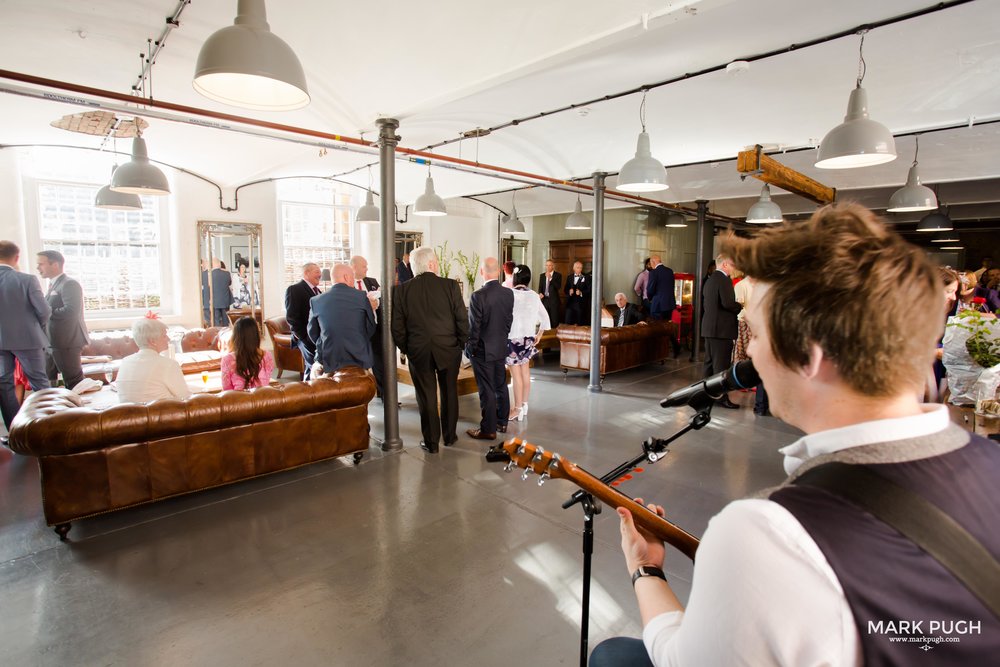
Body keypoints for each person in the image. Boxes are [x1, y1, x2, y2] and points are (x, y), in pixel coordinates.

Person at [592, 203, 1000, 666]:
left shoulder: (769, 532)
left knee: (613, 656)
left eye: (759, 337)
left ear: (809, 356)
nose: (751, 360)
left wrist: (645, 568)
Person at [391, 246, 468, 453]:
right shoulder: (451, 286)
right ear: (432, 264)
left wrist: (408, 348)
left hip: (419, 351)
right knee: (449, 392)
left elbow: (397, 328)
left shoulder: (401, 290)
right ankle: (450, 437)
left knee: (426, 396)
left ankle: (431, 443)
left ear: (414, 267)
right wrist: (460, 344)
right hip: (449, 349)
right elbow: (462, 319)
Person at [0, 240, 51, 433]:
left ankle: (15, 430)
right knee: (40, 382)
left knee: (3, 384)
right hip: (27, 338)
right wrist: (36, 327)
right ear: (16, 258)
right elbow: (44, 311)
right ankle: (46, 428)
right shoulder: (26, 280)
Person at [465, 257, 514, 440]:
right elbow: (508, 322)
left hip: (483, 350)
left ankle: (488, 429)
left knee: (486, 389)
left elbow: (474, 328)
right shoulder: (508, 294)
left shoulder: (478, 296)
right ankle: (502, 422)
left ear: (481, 272)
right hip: (501, 346)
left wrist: (470, 349)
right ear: (499, 272)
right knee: (501, 385)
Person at [309, 263, 376, 377]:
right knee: (362, 391)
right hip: (359, 356)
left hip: (329, 357)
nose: (354, 280)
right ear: (346, 277)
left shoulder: (316, 300)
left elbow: (312, 332)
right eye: (352, 277)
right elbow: (370, 326)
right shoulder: (361, 296)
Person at [36, 250, 89, 389]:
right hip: (51, 343)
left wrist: (45, 311)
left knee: (75, 384)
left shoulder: (69, 284)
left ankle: (81, 411)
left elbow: (71, 311)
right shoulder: (53, 285)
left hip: (67, 343)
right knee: (49, 383)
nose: (38, 268)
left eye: (41, 264)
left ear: (55, 265)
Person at [507, 265, 550, 422]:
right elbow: (545, 318)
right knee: (525, 372)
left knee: (515, 375)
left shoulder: (509, 294)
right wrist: (539, 334)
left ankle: (517, 408)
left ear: (515, 278)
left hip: (512, 338)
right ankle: (524, 405)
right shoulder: (533, 295)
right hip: (528, 337)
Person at [116, 317, 191, 404]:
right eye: (164, 336)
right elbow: (186, 398)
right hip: (161, 415)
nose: (168, 339)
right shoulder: (168, 364)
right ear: (152, 341)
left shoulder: (125, 362)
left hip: (128, 416)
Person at [700, 252, 742, 409]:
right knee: (721, 366)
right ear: (724, 264)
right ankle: (721, 397)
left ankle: (705, 395)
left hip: (709, 328)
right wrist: (739, 306)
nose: (734, 267)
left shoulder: (710, 280)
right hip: (721, 329)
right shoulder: (724, 280)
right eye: (732, 264)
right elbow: (727, 303)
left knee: (709, 364)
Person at [350, 255, 384, 397]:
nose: (367, 268)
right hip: (357, 330)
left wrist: (378, 303)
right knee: (359, 366)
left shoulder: (372, 282)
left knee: (380, 363)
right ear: (354, 267)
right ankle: (360, 397)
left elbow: (382, 300)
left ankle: (384, 394)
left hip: (375, 328)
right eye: (364, 266)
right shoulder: (346, 284)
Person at [285, 262, 322, 380]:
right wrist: (304, 338)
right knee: (314, 367)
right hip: (304, 338)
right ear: (306, 273)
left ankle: (308, 392)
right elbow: (292, 318)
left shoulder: (318, 291)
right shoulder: (294, 289)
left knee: (311, 368)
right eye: (317, 271)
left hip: (316, 338)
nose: (320, 274)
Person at [221, 316, 274, 391]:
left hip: (239, 401)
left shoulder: (227, 360)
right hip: (262, 400)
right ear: (256, 335)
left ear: (235, 336)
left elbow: (227, 391)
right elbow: (266, 382)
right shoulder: (267, 356)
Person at [646, 254, 676, 321]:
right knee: (667, 327)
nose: (651, 266)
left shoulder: (653, 272)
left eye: (651, 263)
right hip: (670, 304)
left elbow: (650, 289)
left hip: (658, 305)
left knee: (657, 328)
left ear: (653, 262)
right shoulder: (670, 271)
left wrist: (650, 298)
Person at [564, 261, 591, 325]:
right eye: (578, 267)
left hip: (581, 304)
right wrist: (569, 291)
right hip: (570, 303)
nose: (579, 269)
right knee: (568, 321)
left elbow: (589, 290)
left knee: (580, 322)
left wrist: (581, 292)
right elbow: (565, 289)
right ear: (574, 268)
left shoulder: (586, 277)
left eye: (581, 268)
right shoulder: (569, 277)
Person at [537, 258, 562, 328]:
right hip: (545, 300)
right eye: (547, 265)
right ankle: (546, 336)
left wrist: (551, 279)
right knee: (545, 320)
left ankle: (554, 336)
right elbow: (540, 287)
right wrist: (540, 293)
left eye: (550, 265)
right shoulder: (542, 276)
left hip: (554, 301)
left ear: (553, 266)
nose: (548, 267)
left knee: (554, 320)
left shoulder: (558, 275)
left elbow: (558, 287)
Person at [209, 258, 233, 326]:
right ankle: (225, 333)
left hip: (215, 300)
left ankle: (218, 334)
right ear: (219, 264)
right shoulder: (227, 273)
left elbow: (209, 286)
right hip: (225, 300)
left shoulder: (210, 274)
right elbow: (229, 283)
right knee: (226, 321)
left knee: (216, 321)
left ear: (213, 264)